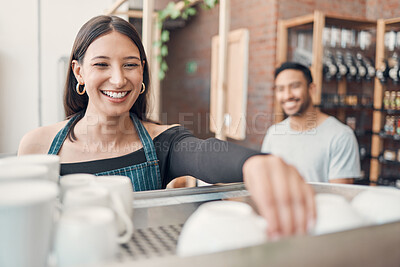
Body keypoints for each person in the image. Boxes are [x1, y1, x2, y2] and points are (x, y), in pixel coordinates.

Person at [18, 15, 315, 238]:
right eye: (101, 65)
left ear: (143, 71)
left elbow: (202, 152)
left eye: (130, 64)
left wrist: (254, 162)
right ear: (78, 72)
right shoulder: (37, 146)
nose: (119, 79)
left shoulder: (163, 140)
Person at [262, 62, 361, 184]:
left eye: (295, 86)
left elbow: (339, 197)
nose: (287, 95)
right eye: (280, 89)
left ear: (311, 89)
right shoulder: (273, 133)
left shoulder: (341, 136)